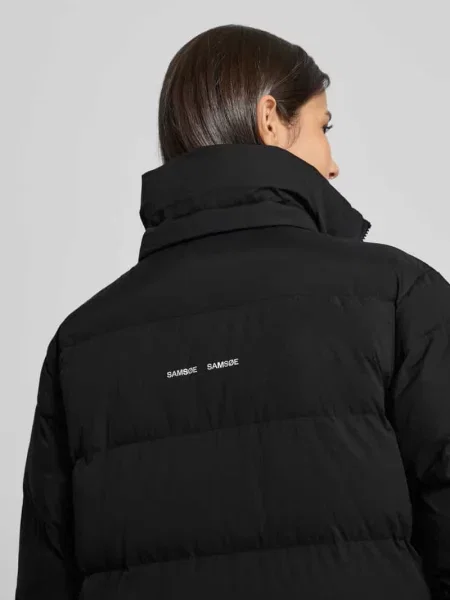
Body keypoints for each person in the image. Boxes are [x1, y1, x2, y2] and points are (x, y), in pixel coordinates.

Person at [15, 23, 450, 600]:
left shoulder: (80, 343)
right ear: (270, 119)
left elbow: (46, 578)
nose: (333, 165)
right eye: (323, 128)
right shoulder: (398, 295)